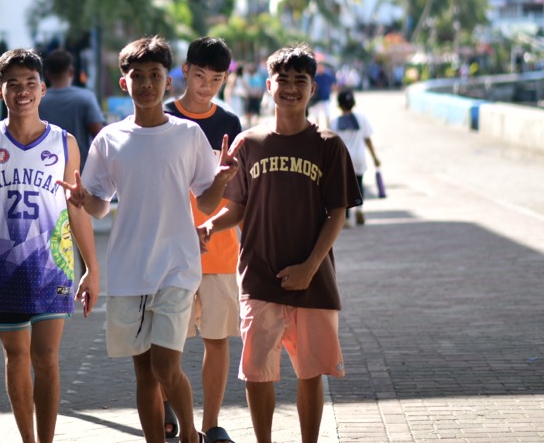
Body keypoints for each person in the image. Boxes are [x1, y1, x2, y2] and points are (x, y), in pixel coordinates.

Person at [61, 36, 243, 443]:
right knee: (143, 372)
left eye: (155, 75)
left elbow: (206, 198)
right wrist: (83, 199)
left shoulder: (188, 134)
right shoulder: (110, 139)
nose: (146, 83)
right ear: (124, 83)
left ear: (167, 80)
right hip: (128, 270)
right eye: (138, 76)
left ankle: (191, 436)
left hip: (177, 266)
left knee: (165, 366)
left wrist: (222, 179)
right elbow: (100, 206)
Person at [0, 48, 100, 443]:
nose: (22, 91)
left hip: (52, 263)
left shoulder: (64, 143)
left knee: (47, 359)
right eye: (13, 84)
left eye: (30, 83)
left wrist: (92, 269)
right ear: (0, 91)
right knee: (17, 356)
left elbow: (76, 208)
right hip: (0, 263)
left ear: (44, 89)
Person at [204, 44, 361, 443]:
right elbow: (236, 208)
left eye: (300, 81)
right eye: (284, 81)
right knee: (257, 373)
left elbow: (337, 212)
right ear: (268, 85)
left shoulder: (329, 145)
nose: (291, 88)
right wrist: (208, 227)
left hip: (314, 281)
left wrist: (309, 267)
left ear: (312, 88)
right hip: (258, 278)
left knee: (310, 372)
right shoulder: (248, 143)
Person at [164, 37, 244, 443]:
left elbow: (237, 190)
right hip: (171, 252)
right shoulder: (161, 117)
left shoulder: (230, 123)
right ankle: (170, 409)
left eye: (215, 79)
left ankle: (211, 424)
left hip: (219, 249)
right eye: (200, 76)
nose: (206, 86)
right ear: (185, 71)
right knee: (168, 342)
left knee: (217, 339)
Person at [38, 48, 105, 166]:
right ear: (71, 72)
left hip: (44, 172)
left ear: (47, 74)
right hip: (79, 171)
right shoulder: (85, 97)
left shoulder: (37, 100)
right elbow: (99, 135)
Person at [330, 89, 381, 226]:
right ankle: (359, 209)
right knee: (359, 184)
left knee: (344, 188)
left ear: (339, 104)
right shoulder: (362, 119)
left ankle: (346, 217)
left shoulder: (334, 122)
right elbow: (367, 139)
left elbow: (332, 144)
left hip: (343, 159)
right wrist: (375, 156)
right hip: (359, 157)